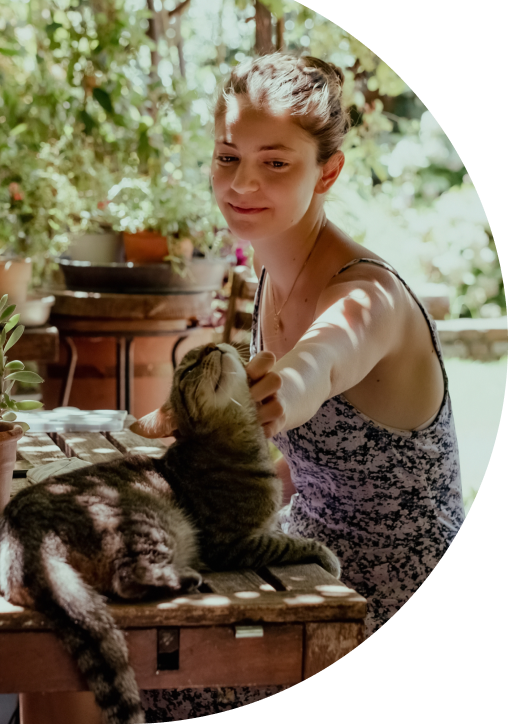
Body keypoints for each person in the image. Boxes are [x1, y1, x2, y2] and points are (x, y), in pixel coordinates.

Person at [133, 53, 465, 720]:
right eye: (228, 157)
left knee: (136, 678)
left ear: (328, 172)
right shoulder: (270, 276)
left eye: (275, 162)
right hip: (297, 564)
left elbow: (322, 362)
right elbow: (306, 467)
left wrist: (285, 386)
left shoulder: (369, 297)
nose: (243, 181)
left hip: (379, 600)